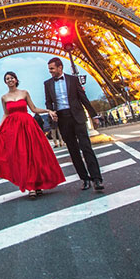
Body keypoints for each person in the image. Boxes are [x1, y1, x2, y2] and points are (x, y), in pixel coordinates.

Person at [0, 71, 66, 198]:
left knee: (34, 155)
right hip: (14, 129)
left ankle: (37, 184)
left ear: (16, 80)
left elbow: (34, 109)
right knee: (22, 156)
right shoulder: (4, 98)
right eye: (7, 79)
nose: (9, 80)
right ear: (5, 82)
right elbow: (6, 114)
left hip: (28, 126)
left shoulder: (24, 93)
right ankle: (31, 186)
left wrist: (48, 110)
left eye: (11, 78)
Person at [45, 57, 104, 191]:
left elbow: (83, 98)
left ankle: (97, 179)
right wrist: (51, 112)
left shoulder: (73, 80)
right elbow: (48, 102)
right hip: (62, 119)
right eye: (49, 69)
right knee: (73, 151)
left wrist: (94, 115)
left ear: (60, 68)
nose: (50, 72)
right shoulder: (47, 84)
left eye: (52, 69)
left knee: (86, 148)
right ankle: (84, 179)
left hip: (77, 116)